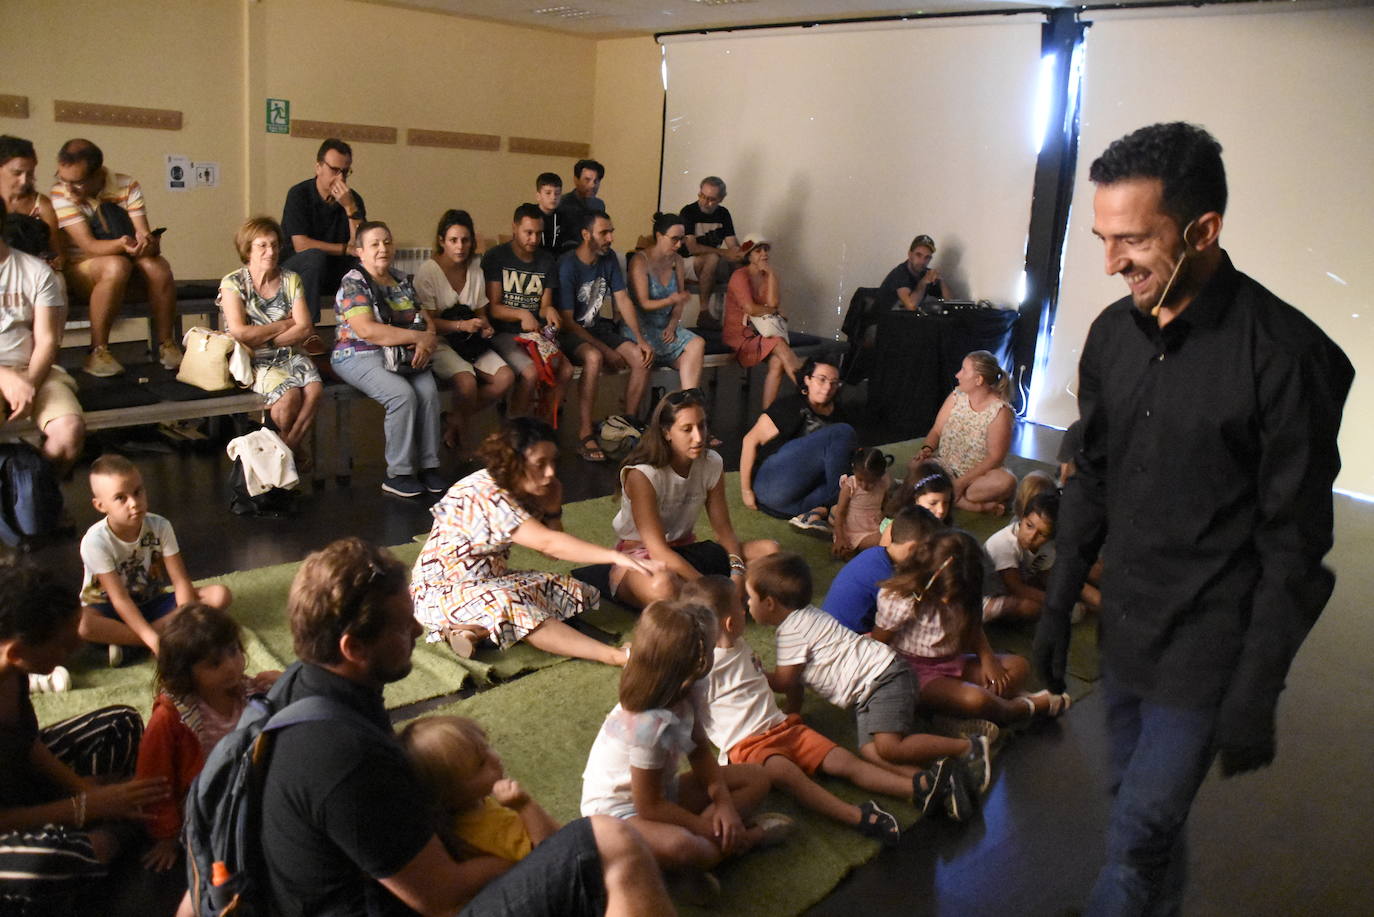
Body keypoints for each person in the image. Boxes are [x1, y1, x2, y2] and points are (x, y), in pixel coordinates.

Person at [1033, 122, 1353, 915]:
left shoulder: (1286, 358)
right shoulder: (1111, 337)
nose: (1111, 264)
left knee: (1140, 832)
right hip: (1128, 634)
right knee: (1138, 822)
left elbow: (1296, 546)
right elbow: (1095, 477)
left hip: (1211, 645)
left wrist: (1257, 685)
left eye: (1133, 241)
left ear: (1203, 230)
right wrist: (1055, 606)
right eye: (1103, 239)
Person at [248, 536, 674, 917]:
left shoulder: (303, 687)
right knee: (610, 844)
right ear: (353, 647)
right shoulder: (343, 756)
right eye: (402, 624)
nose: (417, 629)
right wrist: (526, 858)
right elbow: (439, 897)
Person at [580, 598, 794, 901]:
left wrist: (723, 803)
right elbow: (648, 806)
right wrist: (705, 827)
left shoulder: (690, 687)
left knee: (757, 777)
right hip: (617, 817)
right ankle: (745, 839)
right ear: (699, 661)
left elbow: (699, 750)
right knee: (690, 848)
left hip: (660, 792)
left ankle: (689, 860)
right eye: (711, 645)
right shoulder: (647, 724)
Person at [743, 553, 979, 820]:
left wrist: (757, 673)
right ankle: (934, 783)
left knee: (889, 747)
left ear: (770, 603)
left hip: (884, 678)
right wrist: (793, 713)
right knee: (871, 752)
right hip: (875, 684)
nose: (748, 604)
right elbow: (794, 681)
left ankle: (967, 748)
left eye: (750, 598)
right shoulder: (805, 617)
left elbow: (785, 681)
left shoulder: (791, 633)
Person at [683, 576, 913, 847]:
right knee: (788, 775)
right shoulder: (701, 672)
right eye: (739, 606)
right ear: (730, 623)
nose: (744, 609)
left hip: (784, 727)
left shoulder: (740, 644)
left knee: (844, 761)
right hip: (748, 746)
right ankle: (855, 816)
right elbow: (689, 712)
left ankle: (915, 787)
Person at [0, 560, 170, 915]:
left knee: (119, 722)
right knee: (43, 864)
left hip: (14, 781)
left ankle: (98, 838)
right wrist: (82, 809)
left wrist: (83, 789)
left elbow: (28, 744)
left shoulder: (11, 672)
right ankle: (114, 835)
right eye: (63, 646)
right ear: (16, 652)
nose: (76, 647)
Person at [411, 418, 656, 663]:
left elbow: (551, 553)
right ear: (513, 462)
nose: (550, 472)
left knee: (563, 588)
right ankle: (615, 656)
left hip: (487, 581)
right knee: (511, 603)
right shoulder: (485, 491)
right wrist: (615, 555)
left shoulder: (521, 485)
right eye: (540, 464)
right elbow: (549, 544)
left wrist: (552, 511)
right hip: (438, 592)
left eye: (553, 462)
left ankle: (470, 630)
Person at [134, 603, 280, 872]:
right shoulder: (172, 718)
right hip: (205, 808)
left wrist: (282, 683)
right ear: (185, 672)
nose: (232, 666)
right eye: (214, 663)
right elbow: (154, 779)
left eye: (234, 651)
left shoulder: (250, 691)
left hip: (251, 789)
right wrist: (166, 837)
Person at [873, 529, 1067, 729]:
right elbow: (877, 644)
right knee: (977, 699)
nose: (949, 601)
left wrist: (987, 658)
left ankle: (960, 711)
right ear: (928, 575)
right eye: (945, 593)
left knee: (1019, 666)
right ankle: (1019, 708)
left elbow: (972, 625)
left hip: (951, 661)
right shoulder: (901, 600)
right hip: (912, 670)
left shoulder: (966, 592)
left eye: (956, 596)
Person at [609, 389, 777, 610]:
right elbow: (658, 550)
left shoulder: (712, 462)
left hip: (685, 552)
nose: (698, 437)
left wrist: (737, 570)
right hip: (640, 558)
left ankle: (711, 598)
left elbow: (724, 531)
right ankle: (718, 597)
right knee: (665, 587)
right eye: (687, 429)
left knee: (770, 552)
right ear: (667, 432)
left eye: (702, 426)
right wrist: (706, 585)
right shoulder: (642, 475)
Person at [78, 455, 232, 662]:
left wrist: (188, 626)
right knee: (82, 624)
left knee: (219, 595)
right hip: (108, 609)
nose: (134, 503)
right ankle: (158, 640)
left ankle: (130, 645)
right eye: (120, 498)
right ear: (100, 505)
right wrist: (153, 640)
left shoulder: (160, 526)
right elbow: (120, 599)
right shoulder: (95, 542)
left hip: (152, 602)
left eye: (137, 492)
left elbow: (180, 581)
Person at [50, 138, 182, 377]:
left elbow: (142, 231)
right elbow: (89, 246)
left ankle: (167, 344)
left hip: (127, 264)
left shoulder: (126, 185)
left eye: (76, 183)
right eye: (62, 179)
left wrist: (146, 243)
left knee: (158, 266)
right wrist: (123, 244)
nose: (68, 188)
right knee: (115, 265)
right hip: (84, 270)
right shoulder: (60, 194)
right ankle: (97, 351)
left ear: (97, 174)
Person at [331, 220, 443, 499]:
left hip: (401, 352)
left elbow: (425, 320)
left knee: (428, 393)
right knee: (402, 395)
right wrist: (416, 339)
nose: (383, 248)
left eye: (387, 242)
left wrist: (426, 341)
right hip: (357, 353)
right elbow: (367, 329)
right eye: (375, 244)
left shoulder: (402, 279)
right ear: (360, 251)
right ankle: (399, 473)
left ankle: (429, 466)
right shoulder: (353, 282)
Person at [218, 216, 324, 454]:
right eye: (262, 245)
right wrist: (283, 325)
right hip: (252, 360)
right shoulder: (233, 283)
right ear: (248, 249)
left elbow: (305, 327)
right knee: (290, 396)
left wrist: (267, 339)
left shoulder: (290, 279)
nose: (271, 251)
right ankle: (293, 454)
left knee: (315, 389)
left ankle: (287, 451)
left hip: (290, 353)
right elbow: (240, 333)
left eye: (275, 245)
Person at [412, 209, 515, 453]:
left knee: (505, 378)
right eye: (453, 240)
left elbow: (481, 311)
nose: (460, 246)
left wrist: (485, 325)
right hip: (440, 341)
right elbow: (428, 324)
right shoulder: (428, 272)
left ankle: (454, 420)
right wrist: (461, 325)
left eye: (465, 240)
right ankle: (461, 433)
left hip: (470, 340)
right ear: (441, 241)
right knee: (467, 382)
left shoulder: (476, 271)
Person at [557, 211, 655, 463]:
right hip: (570, 332)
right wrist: (606, 350)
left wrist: (640, 339)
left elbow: (622, 298)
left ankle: (628, 424)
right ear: (586, 234)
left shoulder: (608, 257)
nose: (610, 237)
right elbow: (567, 321)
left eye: (611, 231)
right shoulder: (567, 264)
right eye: (604, 232)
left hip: (597, 327)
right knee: (593, 357)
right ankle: (585, 431)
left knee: (640, 357)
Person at [400, 716, 561, 863]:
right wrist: (525, 806)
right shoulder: (487, 830)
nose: (496, 758)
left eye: (487, 747)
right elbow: (556, 853)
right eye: (481, 764)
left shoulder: (474, 807)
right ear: (448, 795)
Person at [0, 199, 85, 472]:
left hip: (34, 370)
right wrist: (6, 378)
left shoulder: (36, 272)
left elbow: (47, 340)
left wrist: (29, 383)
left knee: (68, 431)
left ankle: (42, 500)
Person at [739, 357, 854, 528]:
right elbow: (749, 440)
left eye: (834, 382)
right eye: (821, 379)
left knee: (860, 481)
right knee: (843, 432)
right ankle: (837, 508)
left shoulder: (839, 412)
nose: (828, 387)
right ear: (807, 379)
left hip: (793, 505)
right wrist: (746, 490)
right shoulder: (790, 406)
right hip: (772, 486)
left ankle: (818, 513)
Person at [482, 203, 569, 420]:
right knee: (530, 373)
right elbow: (493, 308)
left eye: (539, 233)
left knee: (565, 370)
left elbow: (544, 305)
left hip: (534, 334)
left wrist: (549, 311)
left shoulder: (547, 261)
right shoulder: (496, 257)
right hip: (504, 332)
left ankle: (544, 422)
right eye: (528, 232)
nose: (533, 239)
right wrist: (522, 314)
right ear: (514, 228)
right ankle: (515, 428)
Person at [917, 350, 1017, 515]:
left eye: (963, 370)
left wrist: (962, 482)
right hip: (945, 466)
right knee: (916, 467)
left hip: (977, 478)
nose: (958, 375)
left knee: (1007, 481)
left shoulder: (1000, 411)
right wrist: (926, 449)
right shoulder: (956, 396)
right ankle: (977, 505)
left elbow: (995, 457)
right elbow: (936, 430)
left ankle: (949, 495)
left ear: (978, 380)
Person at [280, 138, 364, 321]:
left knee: (367, 262)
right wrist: (343, 249)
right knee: (314, 256)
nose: (340, 178)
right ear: (318, 167)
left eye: (345, 172)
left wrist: (350, 208)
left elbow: (359, 246)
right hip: (298, 270)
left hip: (334, 271)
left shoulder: (353, 199)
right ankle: (307, 329)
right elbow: (301, 245)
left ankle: (364, 326)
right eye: (334, 170)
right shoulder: (298, 194)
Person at [823, 506, 940, 635]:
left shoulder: (875, 553)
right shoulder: (889, 579)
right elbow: (891, 625)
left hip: (829, 626)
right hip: (846, 639)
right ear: (913, 548)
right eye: (929, 550)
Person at [624, 213, 706, 393]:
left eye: (681, 240)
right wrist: (671, 299)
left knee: (697, 344)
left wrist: (672, 324)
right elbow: (643, 303)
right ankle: (636, 412)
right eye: (674, 239)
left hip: (665, 325)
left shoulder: (677, 260)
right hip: (641, 325)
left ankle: (688, 400)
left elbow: (680, 300)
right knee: (654, 354)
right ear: (659, 236)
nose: (679, 245)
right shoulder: (640, 261)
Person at [722, 234, 802, 409]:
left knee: (778, 361)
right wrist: (773, 311)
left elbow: (773, 303)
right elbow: (751, 309)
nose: (764, 254)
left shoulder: (768, 276)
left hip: (762, 333)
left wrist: (772, 273)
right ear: (749, 255)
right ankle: (808, 389)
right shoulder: (739, 275)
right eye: (758, 251)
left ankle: (768, 414)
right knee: (780, 345)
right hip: (740, 334)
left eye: (766, 250)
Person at [982, 491, 1059, 621]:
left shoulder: (1049, 546)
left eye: (1042, 534)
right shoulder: (1004, 544)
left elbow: (1046, 574)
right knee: (1030, 607)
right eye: (1029, 526)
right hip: (989, 594)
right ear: (1022, 518)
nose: (1032, 536)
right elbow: (1016, 588)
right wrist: (1055, 602)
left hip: (1023, 583)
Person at [677, 176, 743, 328]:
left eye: (711, 199)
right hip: (685, 262)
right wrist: (724, 253)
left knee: (742, 265)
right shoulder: (688, 212)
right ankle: (704, 312)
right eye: (702, 196)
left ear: (721, 198)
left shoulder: (724, 213)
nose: (705, 202)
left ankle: (745, 315)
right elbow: (692, 248)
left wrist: (742, 254)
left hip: (710, 263)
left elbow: (732, 245)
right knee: (713, 257)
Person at [0, 135, 62, 267]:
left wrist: (52, 263)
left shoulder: (41, 205)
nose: (23, 181)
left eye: (30, 173)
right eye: (17, 173)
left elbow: (57, 252)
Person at [831, 447, 893, 559]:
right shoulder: (850, 486)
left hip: (874, 526)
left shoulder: (883, 483)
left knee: (893, 532)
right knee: (883, 542)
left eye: (871, 482)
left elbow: (885, 503)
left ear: (880, 476)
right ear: (853, 470)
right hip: (852, 530)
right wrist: (840, 538)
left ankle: (861, 551)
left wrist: (884, 516)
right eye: (860, 480)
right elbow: (840, 513)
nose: (864, 486)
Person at [875, 234, 951, 312]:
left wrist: (941, 280)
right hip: (881, 322)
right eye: (918, 255)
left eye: (927, 257)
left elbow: (950, 302)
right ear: (910, 255)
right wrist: (923, 282)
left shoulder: (925, 273)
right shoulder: (900, 273)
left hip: (903, 321)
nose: (922, 261)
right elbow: (911, 306)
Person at [534, 172, 575, 255]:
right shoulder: (530, 216)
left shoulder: (564, 217)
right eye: (548, 193)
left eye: (557, 193)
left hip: (557, 260)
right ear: (538, 196)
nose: (553, 197)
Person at [560, 159, 606, 225]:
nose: (592, 185)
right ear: (576, 180)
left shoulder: (599, 205)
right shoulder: (562, 204)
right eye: (587, 180)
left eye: (596, 181)